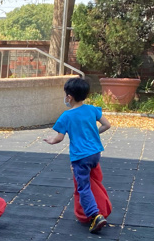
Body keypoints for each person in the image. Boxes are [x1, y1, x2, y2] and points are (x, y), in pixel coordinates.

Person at [42, 77, 113, 233]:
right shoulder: (92, 109)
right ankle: (101, 205)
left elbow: (59, 138)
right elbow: (107, 125)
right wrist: (94, 134)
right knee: (94, 180)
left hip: (80, 156)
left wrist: (50, 140)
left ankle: (95, 215)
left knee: (83, 187)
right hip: (95, 153)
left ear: (69, 97)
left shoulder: (66, 116)